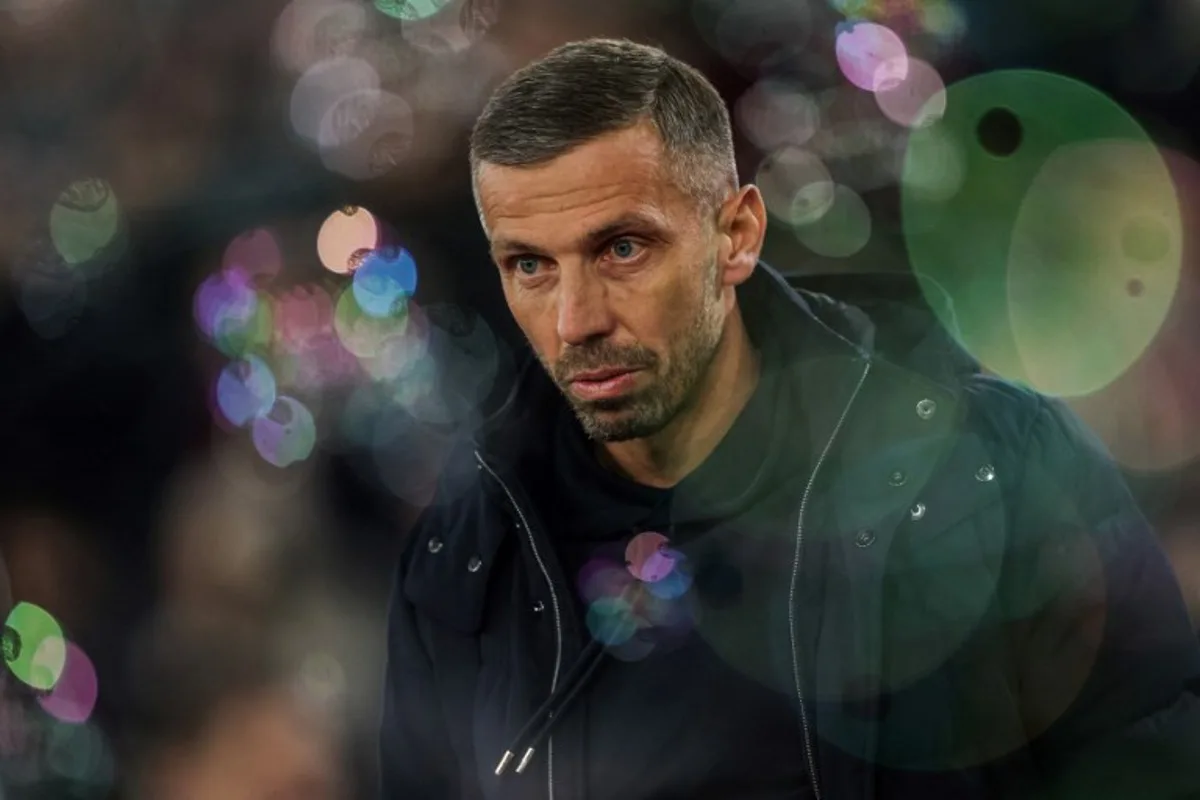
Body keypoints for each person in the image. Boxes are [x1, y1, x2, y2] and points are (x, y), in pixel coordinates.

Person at [378, 38, 1200, 800]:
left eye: (622, 248)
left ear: (736, 235)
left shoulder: (992, 463)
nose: (575, 321)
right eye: (530, 265)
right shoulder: (464, 557)